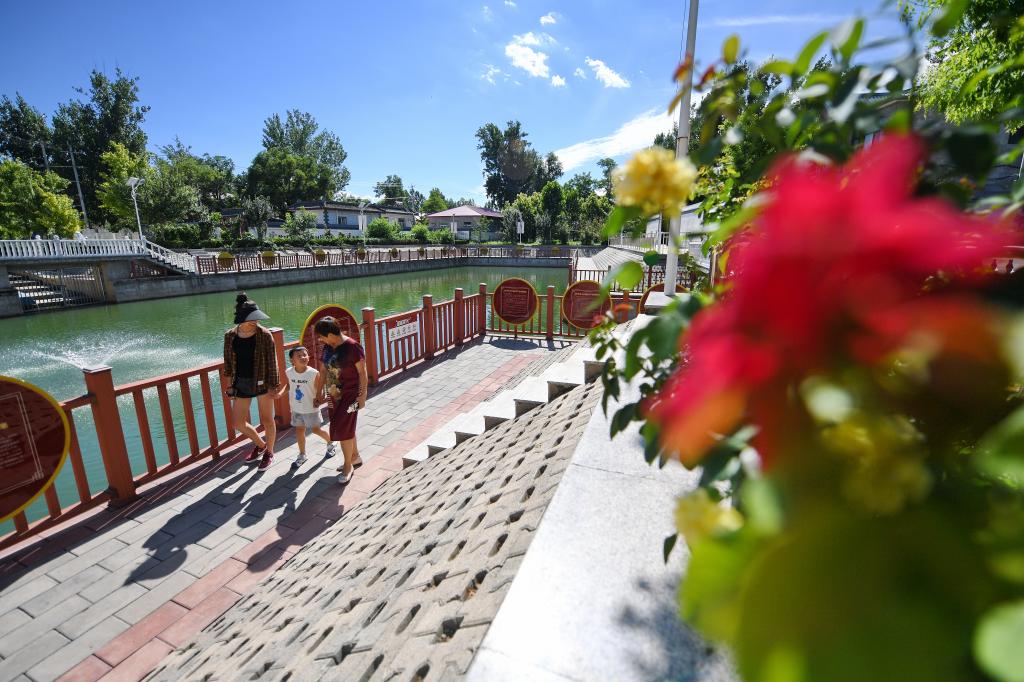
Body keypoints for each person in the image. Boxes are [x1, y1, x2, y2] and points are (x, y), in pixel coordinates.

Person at [223, 292, 280, 471]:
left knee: (267, 420)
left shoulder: (265, 335)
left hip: (263, 382)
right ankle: (261, 445)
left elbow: (273, 362)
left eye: (257, 319)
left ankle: (269, 452)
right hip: (242, 382)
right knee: (238, 422)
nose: (255, 322)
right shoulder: (230, 336)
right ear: (242, 318)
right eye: (251, 319)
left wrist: (274, 386)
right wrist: (230, 385)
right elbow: (229, 362)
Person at [314, 316, 368, 483]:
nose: (320, 339)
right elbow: (323, 371)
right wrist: (318, 393)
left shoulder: (352, 347)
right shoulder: (328, 347)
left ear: (330, 334)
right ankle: (355, 457)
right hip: (333, 395)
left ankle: (347, 466)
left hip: (350, 395)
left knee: (343, 429)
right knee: (344, 426)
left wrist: (362, 395)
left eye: (321, 336)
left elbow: (362, 372)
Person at [276, 346, 336, 469]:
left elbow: (321, 389)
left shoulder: (313, 373)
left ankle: (331, 442)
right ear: (292, 360)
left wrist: (319, 399)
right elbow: (289, 385)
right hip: (296, 408)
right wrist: (280, 393)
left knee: (316, 430)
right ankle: (302, 455)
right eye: (299, 356)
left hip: (311, 408)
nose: (303, 357)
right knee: (299, 431)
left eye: (305, 355)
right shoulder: (289, 372)